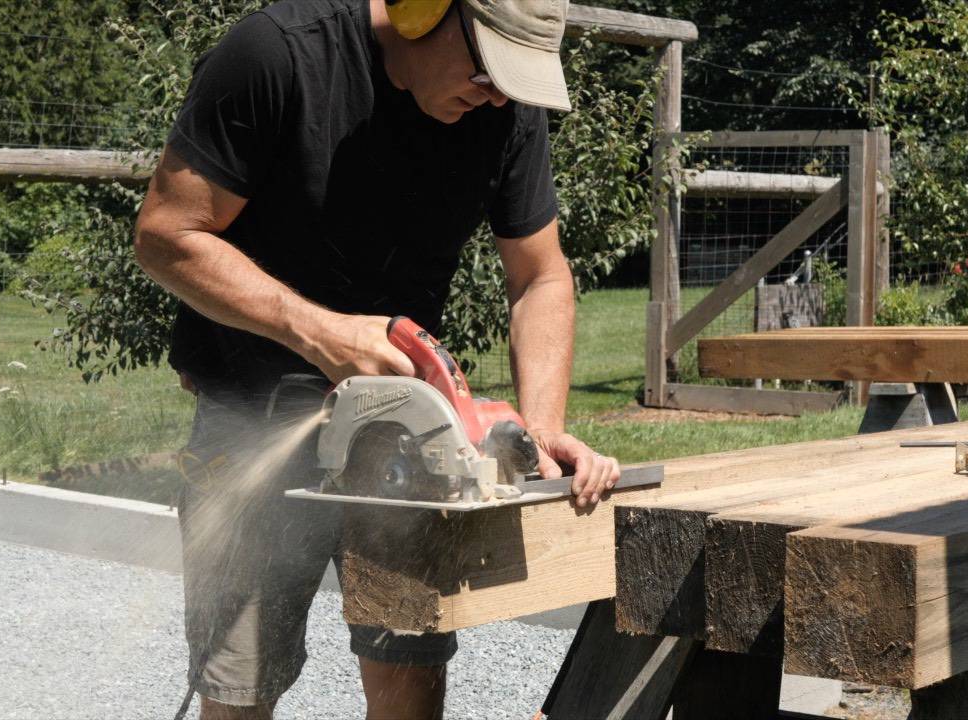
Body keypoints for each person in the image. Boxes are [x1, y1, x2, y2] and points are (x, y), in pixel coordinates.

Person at [133, 0, 621, 717]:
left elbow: (540, 276)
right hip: (256, 422)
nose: (496, 93)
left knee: (410, 675)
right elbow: (166, 234)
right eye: (487, 68)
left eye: (513, 80)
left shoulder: (506, 108)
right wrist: (320, 332)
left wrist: (537, 432)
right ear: (424, 10)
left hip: (406, 437)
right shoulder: (278, 55)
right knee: (240, 688)